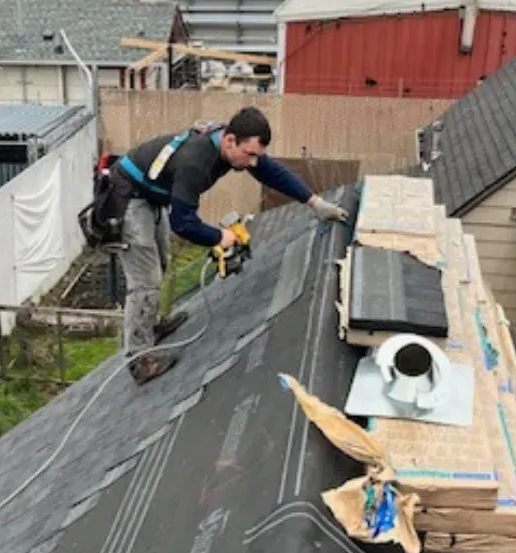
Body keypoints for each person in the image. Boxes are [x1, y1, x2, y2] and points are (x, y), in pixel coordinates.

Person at [112, 106, 348, 385]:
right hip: (126, 197)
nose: (251, 163)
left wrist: (314, 203)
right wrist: (218, 237)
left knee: (160, 262)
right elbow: (182, 223)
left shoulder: (231, 145)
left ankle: (150, 327)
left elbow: (271, 172)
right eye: (249, 155)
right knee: (145, 280)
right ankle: (140, 361)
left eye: (255, 156)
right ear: (230, 140)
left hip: (150, 195)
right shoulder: (195, 163)